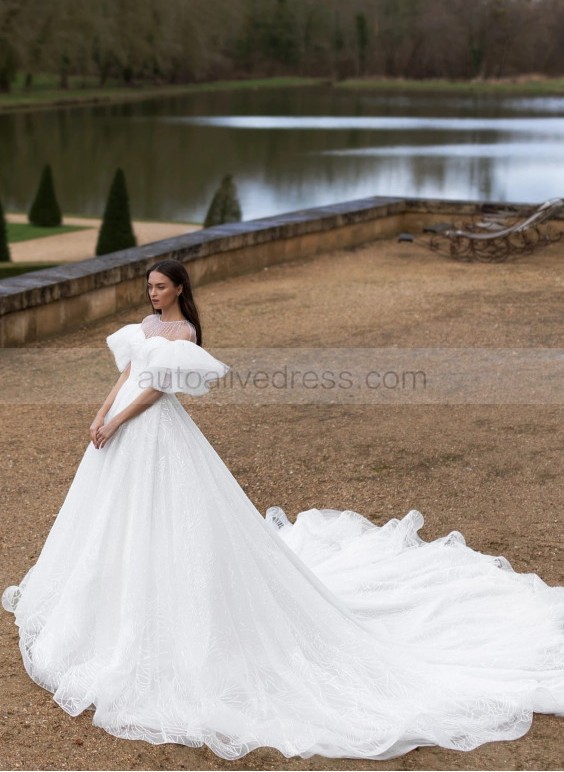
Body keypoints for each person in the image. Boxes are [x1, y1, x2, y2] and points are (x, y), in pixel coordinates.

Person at [3, 258, 564, 762]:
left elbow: (154, 389)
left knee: (171, 516)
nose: (150, 294)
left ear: (178, 289)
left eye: (159, 286)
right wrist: (101, 413)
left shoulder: (183, 332)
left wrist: (122, 418)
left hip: (152, 427)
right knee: (113, 520)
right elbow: (127, 376)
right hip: (121, 425)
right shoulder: (146, 328)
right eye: (147, 286)